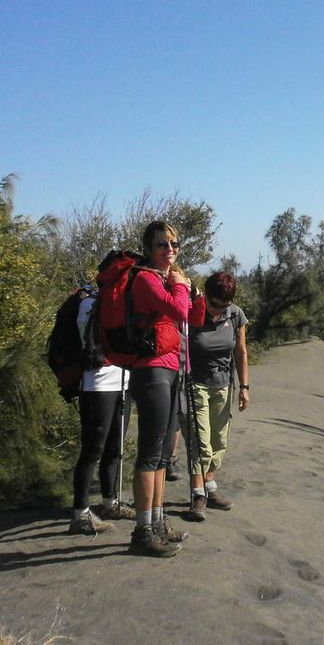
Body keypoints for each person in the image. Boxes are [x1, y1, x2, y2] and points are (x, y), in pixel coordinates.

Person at [125, 220, 192, 557]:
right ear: (148, 249)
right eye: (162, 245)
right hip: (150, 371)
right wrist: (180, 285)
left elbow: (190, 315)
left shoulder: (164, 280)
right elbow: (180, 309)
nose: (170, 250)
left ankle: (158, 521)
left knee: (164, 452)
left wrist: (180, 285)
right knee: (150, 454)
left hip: (170, 368)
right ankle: (142, 531)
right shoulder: (144, 279)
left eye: (174, 244)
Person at [186, 271, 250, 521]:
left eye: (224, 306)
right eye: (214, 305)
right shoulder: (192, 313)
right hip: (195, 384)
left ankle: (210, 487)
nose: (218, 311)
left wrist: (245, 387)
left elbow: (241, 351)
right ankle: (197, 494)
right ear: (206, 297)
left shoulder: (235, 314)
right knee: (201, 442)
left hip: (223, 384)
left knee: (218, 441)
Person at [69, 289, 133, 535]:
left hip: (122, 381)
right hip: (97, 383)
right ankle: (80, 513)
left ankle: (110, 502)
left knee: (115, 446)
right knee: (93, 449)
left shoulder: (120, 302)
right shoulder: (90, 303)